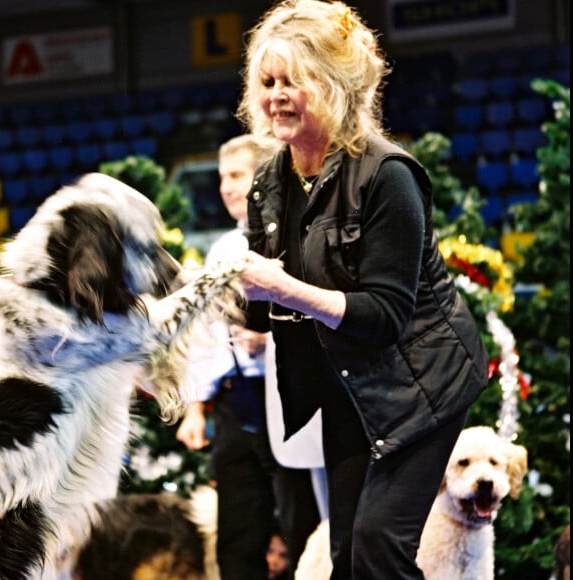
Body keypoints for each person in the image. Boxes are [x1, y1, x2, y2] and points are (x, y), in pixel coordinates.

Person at [236, 1, 490, 578]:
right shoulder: (270, 183)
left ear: (331, 86)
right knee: (348, 556)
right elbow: (259, 312)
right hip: (348, 388)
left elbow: (384, 316)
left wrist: (284, 288)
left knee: (379, 546)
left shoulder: (388, 175)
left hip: (421, 384)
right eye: (267, 81)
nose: (275, 95)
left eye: (292, 81)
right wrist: (204, 295)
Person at [176, 134, 323, 580]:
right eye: (222, 177)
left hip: (287, 395)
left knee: (303, 526)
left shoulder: (303, 235)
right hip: (234, 401)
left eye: (236, 175)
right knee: (238, 532)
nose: (226, 186)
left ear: (263, 177)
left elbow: (321, 314)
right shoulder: (222, 250)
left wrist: (272, 340)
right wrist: (195, 408)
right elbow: (205, 336)